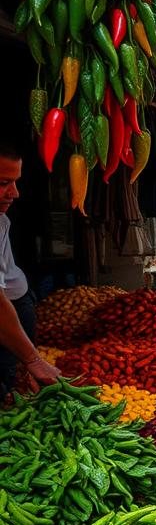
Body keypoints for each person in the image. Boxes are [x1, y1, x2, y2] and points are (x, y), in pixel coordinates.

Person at [0, 144, 60, 395]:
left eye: (15, 182)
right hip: (7, 317)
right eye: (4, 182)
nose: (14, 193)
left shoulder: (1, 219)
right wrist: (34, 360)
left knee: (16, 386)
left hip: (15, 307)